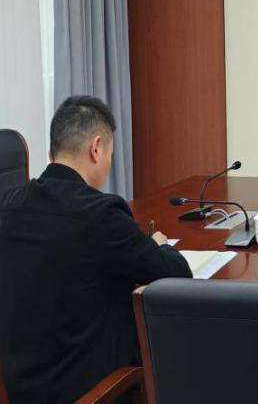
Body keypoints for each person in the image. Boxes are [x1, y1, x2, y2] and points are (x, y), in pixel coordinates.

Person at [0, 95, 191, 402]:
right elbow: (176, 273)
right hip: (95, 393)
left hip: (24, 389)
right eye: (110, 155)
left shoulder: (8, 206)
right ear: (96, 148)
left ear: (52, 151)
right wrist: (161, 246)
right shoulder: (101, 213)